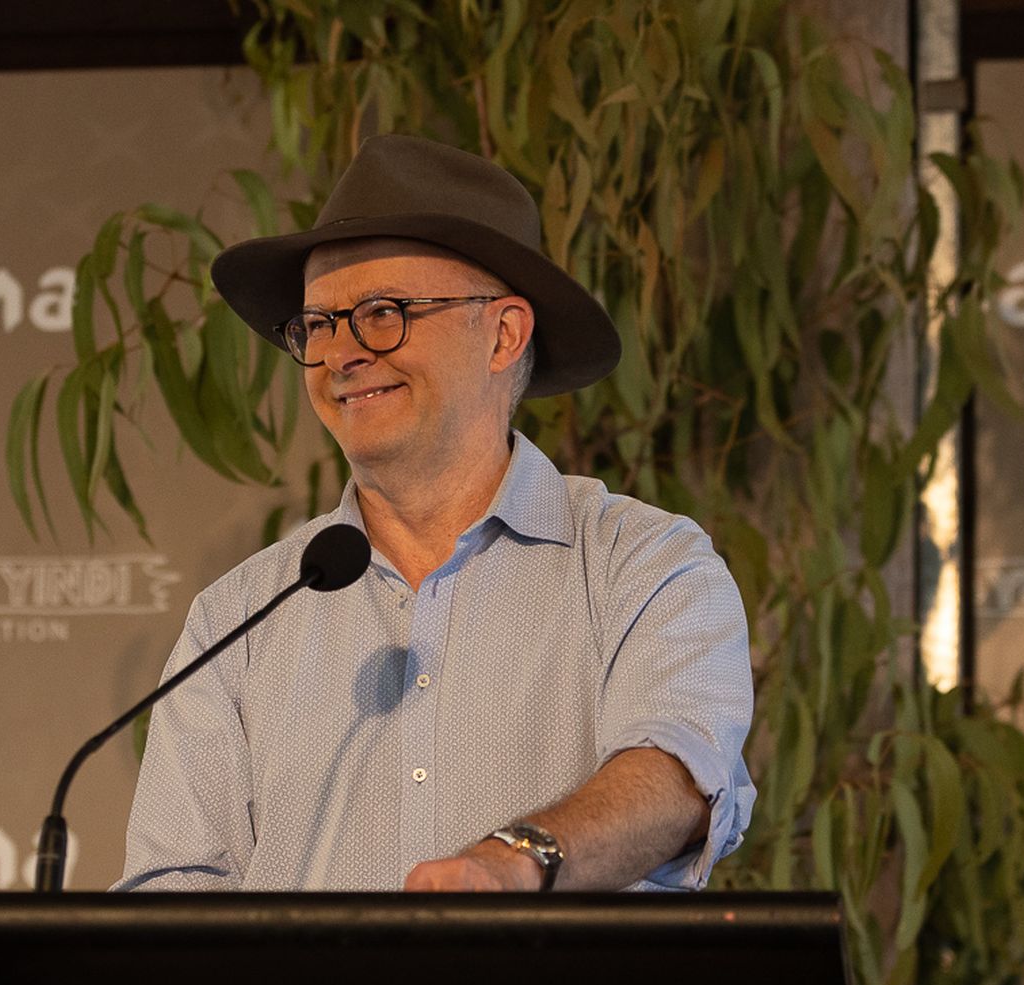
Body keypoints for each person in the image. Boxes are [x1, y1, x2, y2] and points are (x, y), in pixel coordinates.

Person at [116, 134, 754, 892]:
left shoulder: (643, 564)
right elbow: (170, 893)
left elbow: (679, 777)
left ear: (504, 334)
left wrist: (517, 861)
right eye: (318, 326)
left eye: (383, 312)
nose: (342, 354)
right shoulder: (236, 620)